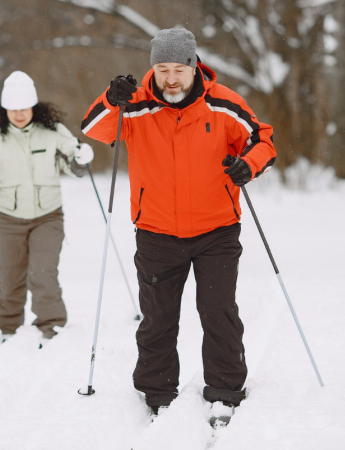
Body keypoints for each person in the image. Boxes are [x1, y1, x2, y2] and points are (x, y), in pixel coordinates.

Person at [80, 28, 276, 423]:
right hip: (156, 232)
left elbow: (263, 142)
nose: (170, 78)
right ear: (153, 67)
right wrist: (110, 98)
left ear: (193, 66)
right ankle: (156, 392)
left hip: (216, 230)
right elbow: (93, 128)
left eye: (178, 69)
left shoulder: (224, 104)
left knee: (218, 311)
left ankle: (224, 390)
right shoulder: (133, 104)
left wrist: (246, 166)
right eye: (162, 68)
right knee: (158, 317)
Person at [0, 70, 94, 344]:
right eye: (13, 109)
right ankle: (7, 329)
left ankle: (52, 327)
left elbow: (73, 160)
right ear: (4, 109)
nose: (19, 115)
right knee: (8, 277)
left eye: (24, 108)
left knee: (43, 273)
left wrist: (81, 158)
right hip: (7, 218)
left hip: (48, 216)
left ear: (33, 106)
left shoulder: (53, 131)